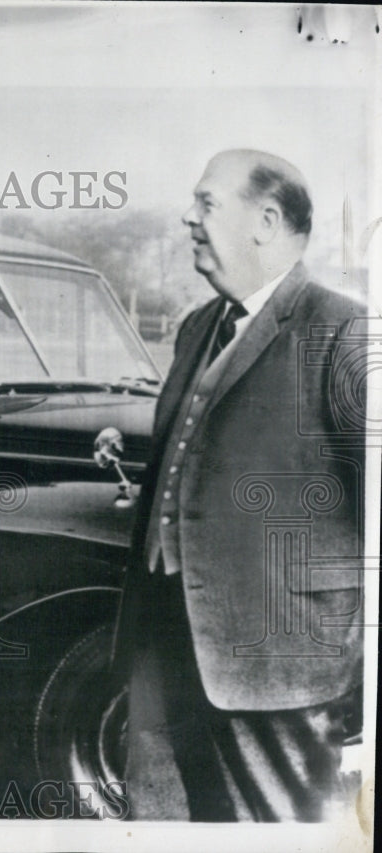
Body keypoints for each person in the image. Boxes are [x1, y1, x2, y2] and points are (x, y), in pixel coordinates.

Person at [115, 149, 365, 821]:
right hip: (164, 645)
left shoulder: (343, 330)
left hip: (278, 664)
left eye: (206, 203)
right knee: (160, 821)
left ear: (266, 219)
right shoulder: (199, 327)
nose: (187, 217)